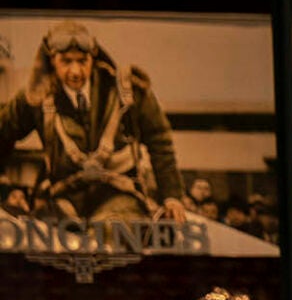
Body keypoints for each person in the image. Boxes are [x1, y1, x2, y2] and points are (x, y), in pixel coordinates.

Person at [0, 21, 182, 222]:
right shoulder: (35, 97)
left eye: (82, 61)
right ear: (52, 60)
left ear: (93, 57)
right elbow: (3, 132)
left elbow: (160, 140)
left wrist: (171, 196)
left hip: (118, 195)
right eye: (66, 61)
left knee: (111, 232)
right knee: (49, 241)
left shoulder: (127, 91)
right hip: (63, 198)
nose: (76, 71)